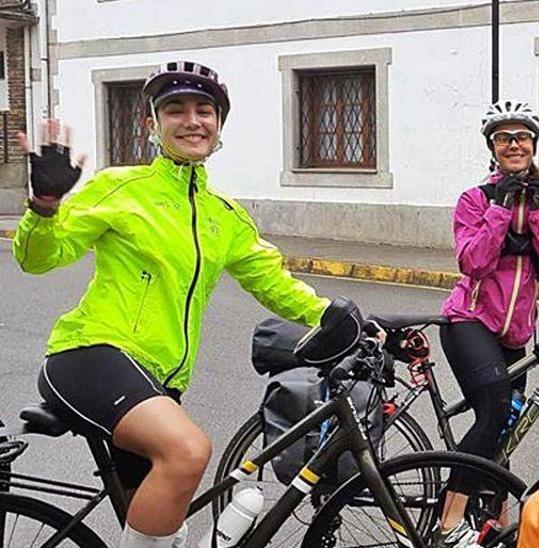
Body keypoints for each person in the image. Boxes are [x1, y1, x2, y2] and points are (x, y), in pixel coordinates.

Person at [12, 61, 333, 548]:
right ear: (152, 125)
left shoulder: (224, 217)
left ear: (219, 125)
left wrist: (341, 317)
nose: (192, 120)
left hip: (159, 381)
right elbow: (40, 259)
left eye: (205, 110)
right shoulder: (120, 188)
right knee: (187, 452)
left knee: (167, 523)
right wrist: (45, 206)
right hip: (91, 355)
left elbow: (274, 283)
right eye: (175, 110)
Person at [435, 100, 539, 546]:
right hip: (468, 321)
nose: (514, 145)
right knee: (495, 409)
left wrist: (535, 211)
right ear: (492, 148)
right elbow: (472, 263)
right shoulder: (474, 199)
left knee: (508, 426)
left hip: (515, 334)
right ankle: (448, 522)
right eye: (504, 138)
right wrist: (499, 210)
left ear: (533, 144)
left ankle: (491, 521)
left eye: (521, 137)